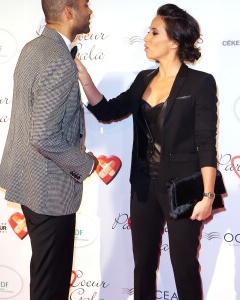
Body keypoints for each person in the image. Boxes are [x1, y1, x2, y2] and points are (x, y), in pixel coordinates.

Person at [76, 3, 218, 300]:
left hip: (185, 188)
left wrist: (208, 195)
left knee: (184, 266)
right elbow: (107, 111)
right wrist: (85, 78)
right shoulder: (143, 79)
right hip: (142, 186)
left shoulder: (201, 82)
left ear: (175, 41)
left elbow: (206, 142)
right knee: (142, 267)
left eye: (154, 32)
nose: (146, 38)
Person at [0, 1, 97, 299]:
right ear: (68, 11)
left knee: (45, 279)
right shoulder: (58, 60)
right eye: (85, 4)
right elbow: (43, 135)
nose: (90, 11)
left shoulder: (33, 48)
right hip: (50, 191)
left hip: (30, 183)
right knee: (51, 286)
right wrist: (86, 163)